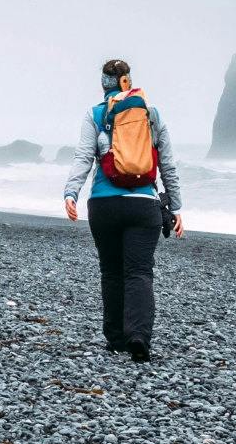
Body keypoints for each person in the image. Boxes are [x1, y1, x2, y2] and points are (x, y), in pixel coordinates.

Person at [63, 57, 181, 363]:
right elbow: (167, 164)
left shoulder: (96, 114)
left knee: (111, 272)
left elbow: (83, 156)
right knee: (140, 272)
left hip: (103, 205)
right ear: (128, 81)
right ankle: (138, 336)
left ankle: (115, 339)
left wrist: (71, 192)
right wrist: (176, 206)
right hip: (144, 206)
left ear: (103, 83)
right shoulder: (151, 115)